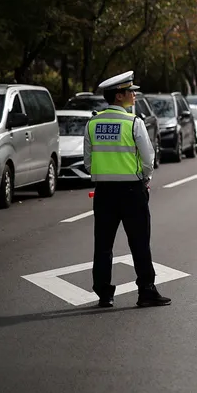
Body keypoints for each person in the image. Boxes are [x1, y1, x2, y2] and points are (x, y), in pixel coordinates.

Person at [84, 71, 171, 309]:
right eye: (130, 91)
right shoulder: (134, 123)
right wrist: (145, 179)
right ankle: (146, 291)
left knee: (103, 245)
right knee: (139, 242)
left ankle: (104, 294)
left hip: (104, 193)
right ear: (119, 95)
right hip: (132, 191)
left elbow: (88, 162)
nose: (134, 95)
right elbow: (148, 158)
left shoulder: (92, 123)